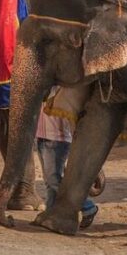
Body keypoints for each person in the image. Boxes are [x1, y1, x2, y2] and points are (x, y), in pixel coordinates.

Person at [36, 95, 99, 230]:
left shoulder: (61, 91)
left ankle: (87, 206)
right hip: (42, 137)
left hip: (57, 139)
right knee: (49, 181)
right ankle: (50, 212)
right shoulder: (43, 87)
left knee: (54, 179)